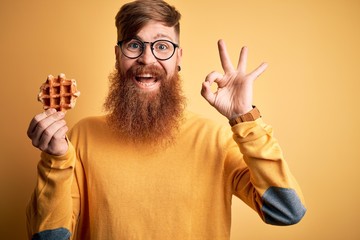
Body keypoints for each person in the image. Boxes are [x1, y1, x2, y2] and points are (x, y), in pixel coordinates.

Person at [26, 0, 306, 239]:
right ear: (117, 55)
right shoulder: (82, 136)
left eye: (162, 46)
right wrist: (55, 161)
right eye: (134, 44)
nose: (147, 59)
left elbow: (287, 211)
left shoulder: (216, 140)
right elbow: (50, 237)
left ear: (178, 58)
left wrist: (245, 119)